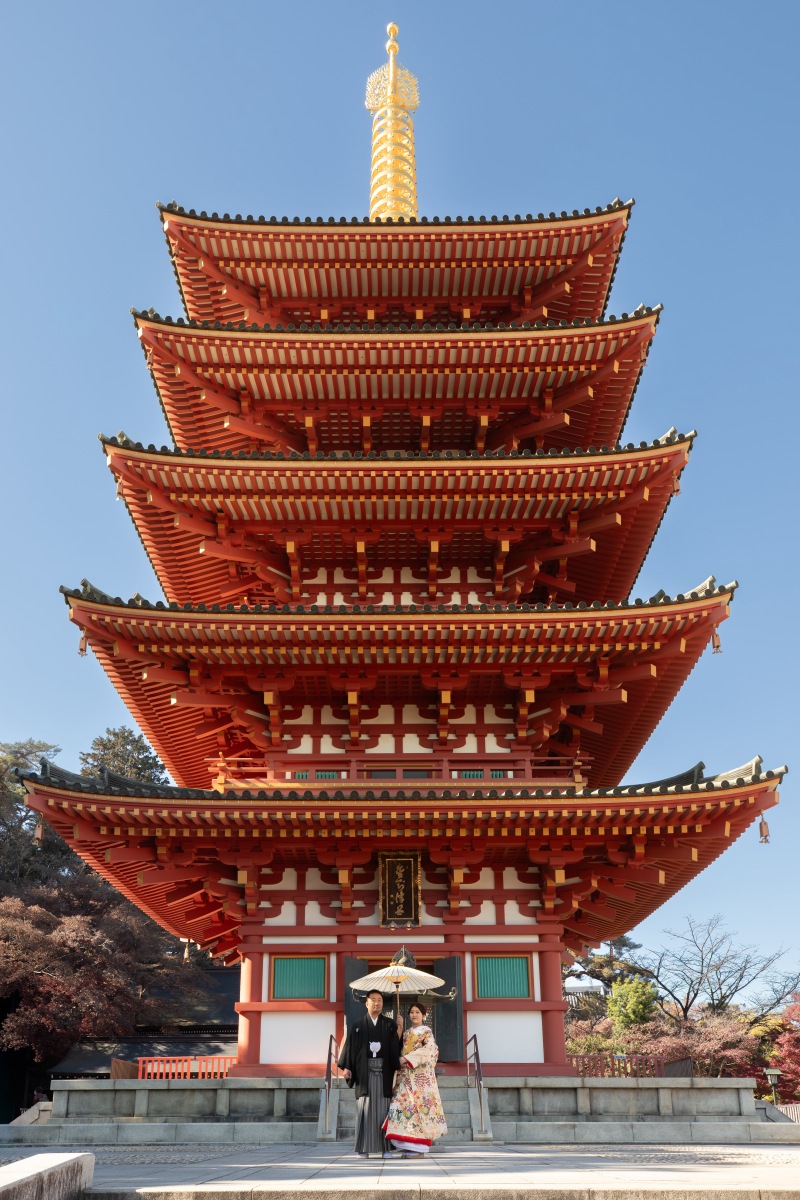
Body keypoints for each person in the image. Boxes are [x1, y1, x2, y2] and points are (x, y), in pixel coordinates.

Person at [338, 989, 402, 1158]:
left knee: (384, 1110)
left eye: (380, 1000)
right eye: (373, 999)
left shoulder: (389, 1025)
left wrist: (399, 1029)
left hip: (383, 1073)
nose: (377, 1002)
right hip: (364, 1074)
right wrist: (347, 1067)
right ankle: (363, 1148)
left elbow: (395, 1049)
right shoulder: (358, 1025)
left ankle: (386, 1148)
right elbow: (350, 1048)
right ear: (366, 1003)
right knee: (364, 1110)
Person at [384, 1001, 447, 1156]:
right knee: (400, 1107)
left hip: (420, 1079)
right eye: (411, 1012)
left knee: (419, 1110)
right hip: (406, 1077)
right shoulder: (406, 1033)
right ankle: (406, 1143)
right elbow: (397, 1048)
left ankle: (419, 1147)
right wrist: (399, 1027)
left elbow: (430, 1050)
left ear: (424, 1015)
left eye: (417, 1012)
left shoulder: (426, 1032)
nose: (414, 1014)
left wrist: (407, 1059)